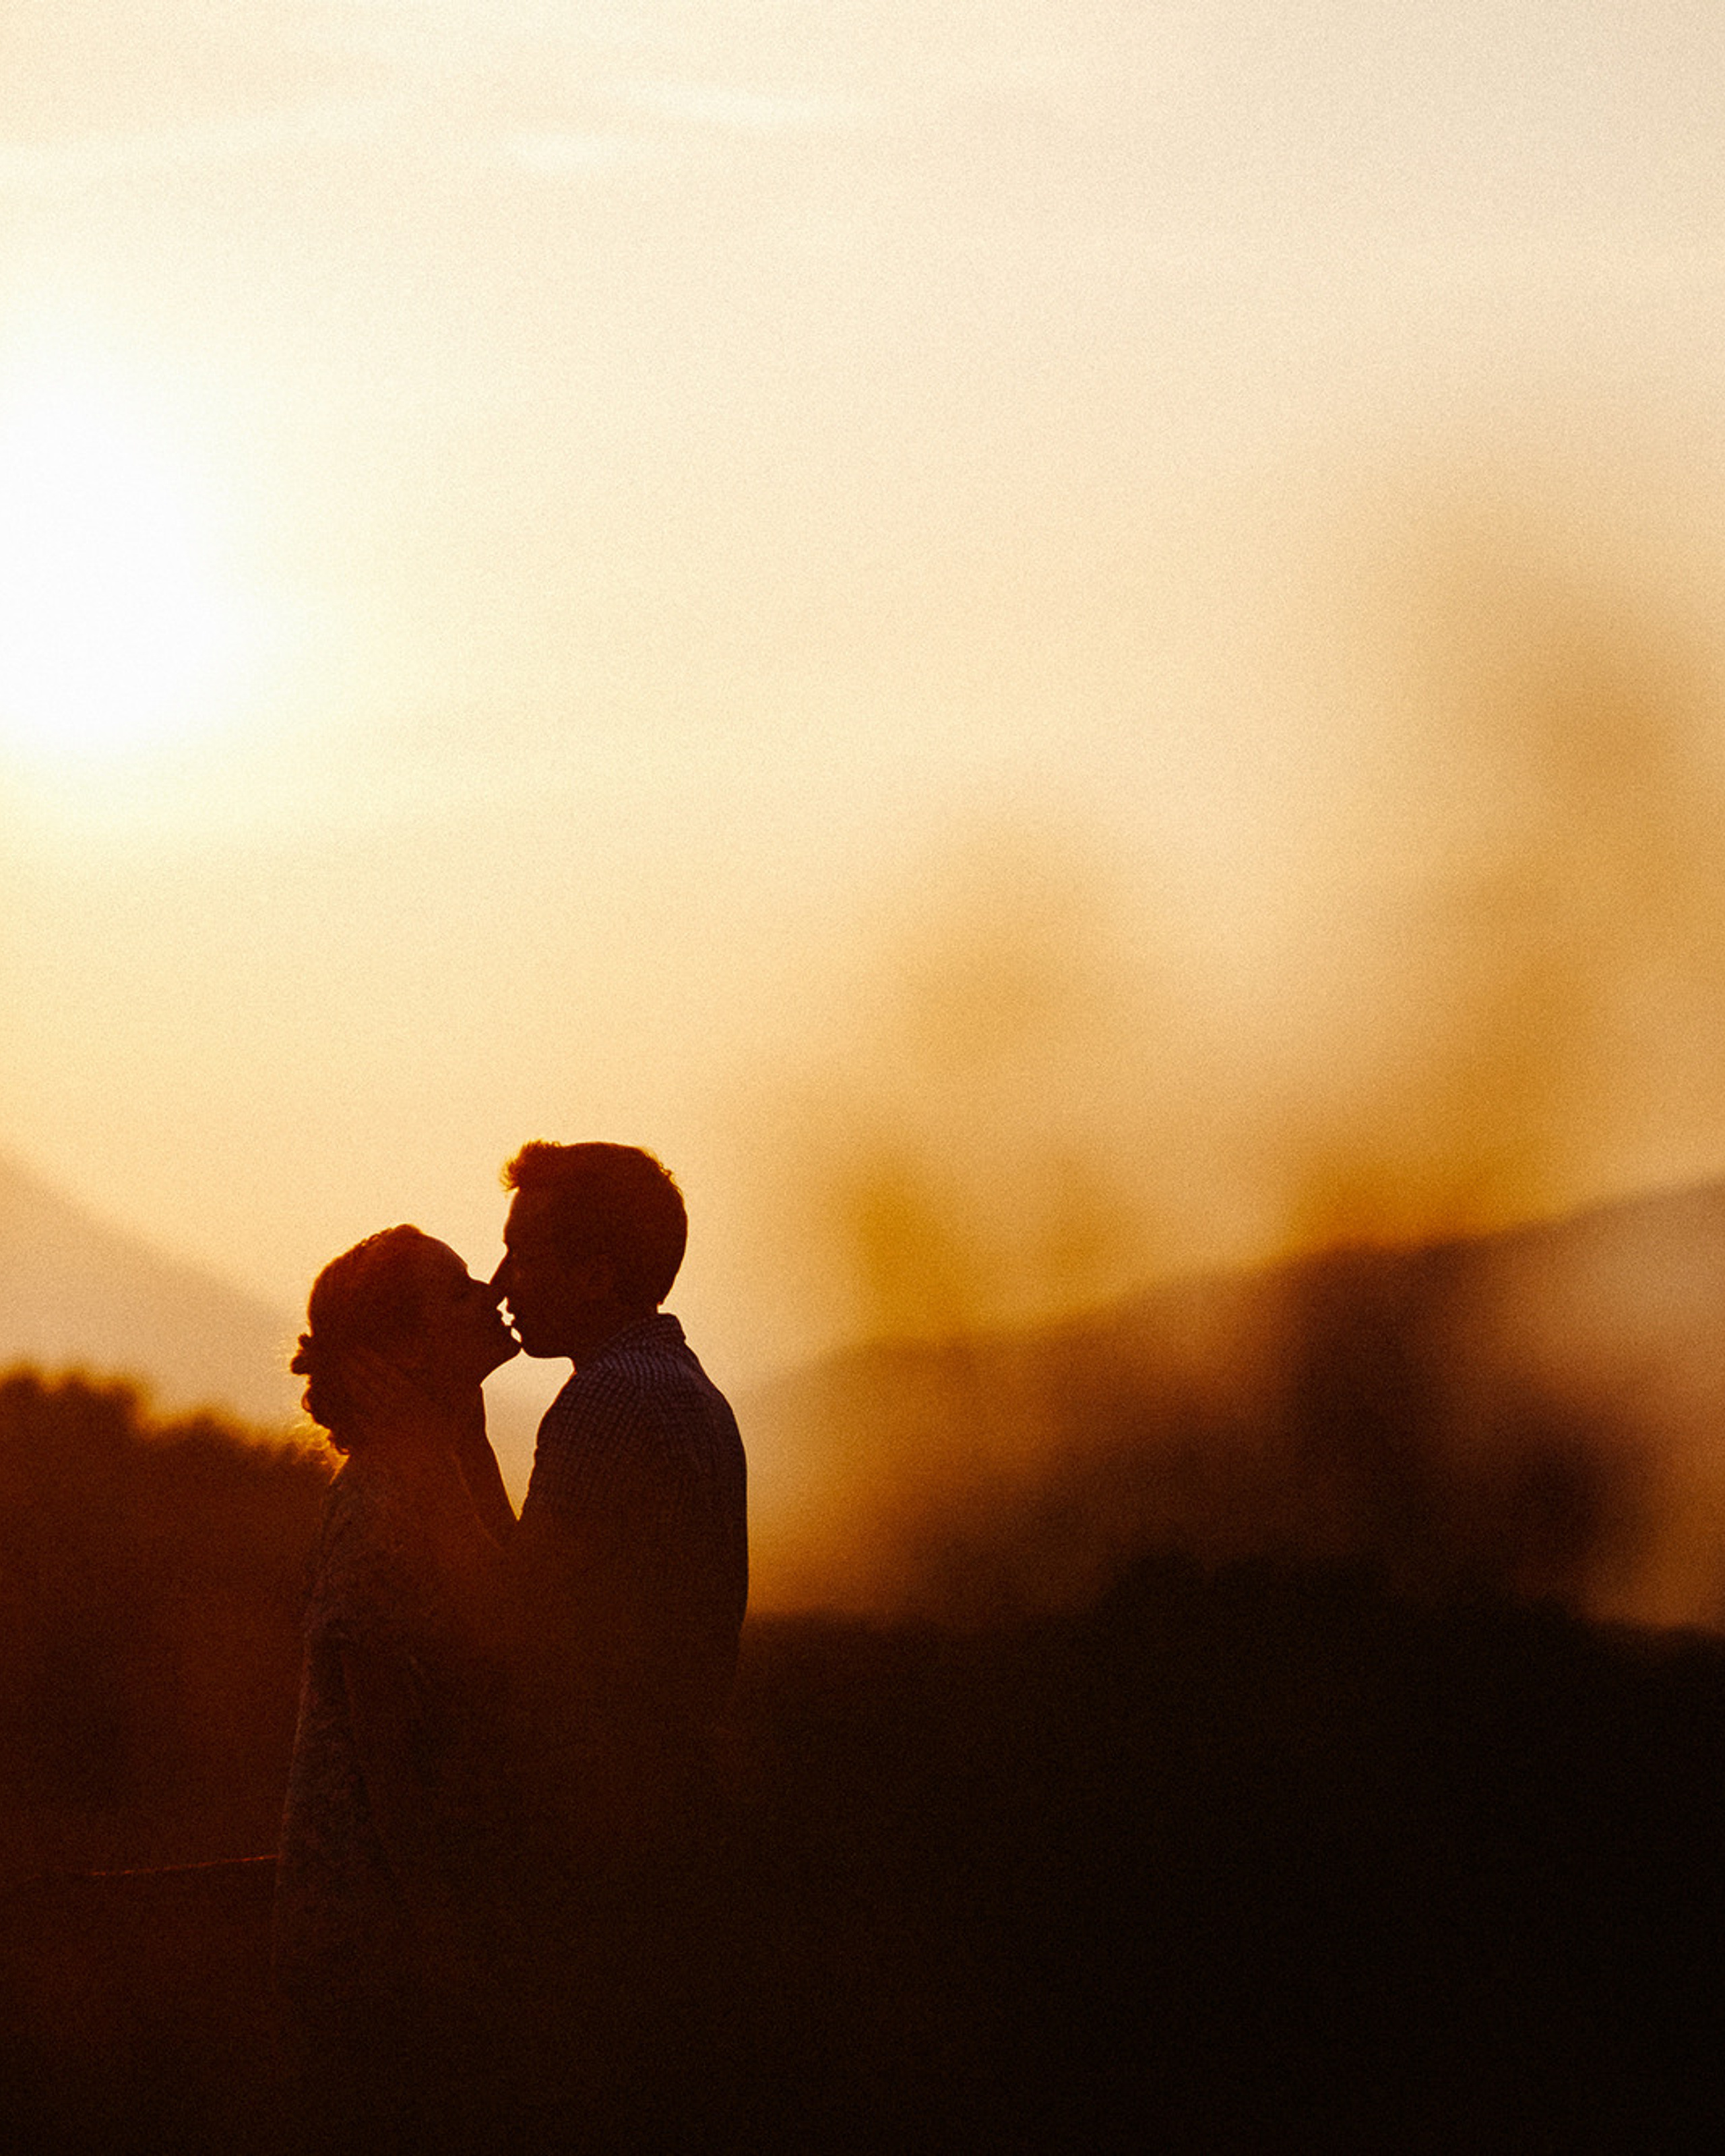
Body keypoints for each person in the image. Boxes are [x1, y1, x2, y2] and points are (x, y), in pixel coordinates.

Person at [272, 1224, 520, 2136]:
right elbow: (381, 1741)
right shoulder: (382, 1497)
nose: (490, 1293)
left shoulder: (430, 1475)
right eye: (458, 1291)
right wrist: (438, 1930)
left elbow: (505, 1611)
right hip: (382, 1935)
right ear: (404, 1347)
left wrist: (466, 1440)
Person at [489, 1141, 748, 1870]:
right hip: (669, 1810)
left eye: (522, 1255)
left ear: (595, 1273)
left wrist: (454, 1435)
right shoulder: (690, 1389)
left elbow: (516, 1620)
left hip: (608, 1826)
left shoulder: (609, 1396)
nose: (501, 1283)